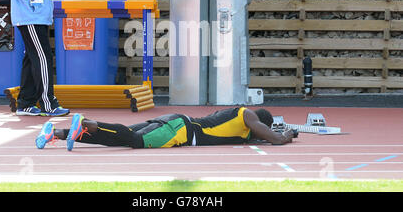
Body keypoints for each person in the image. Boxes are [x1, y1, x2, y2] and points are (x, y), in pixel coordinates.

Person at [35, 107, 297, 151]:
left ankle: (56, 133)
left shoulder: (241, 127)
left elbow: (259, 137)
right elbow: (272, 138)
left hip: (177, 122)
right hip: (179, 130)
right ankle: (87, 123)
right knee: (135, 141)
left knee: (121, 137)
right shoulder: (248, 115)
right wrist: (285, 135)